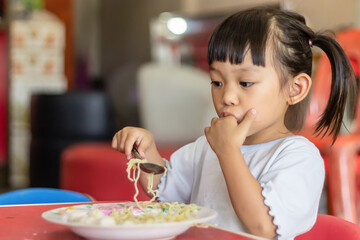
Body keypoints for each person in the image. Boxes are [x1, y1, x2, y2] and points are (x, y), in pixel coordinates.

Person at [112, 6, 358, 240]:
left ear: (295, 89)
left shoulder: (297, 157)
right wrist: (145, 151)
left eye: (245, 83)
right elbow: (161, 193)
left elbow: (263, 226)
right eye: (217, 82)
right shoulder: (207, 148)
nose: (226, 97)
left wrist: (228, 152)